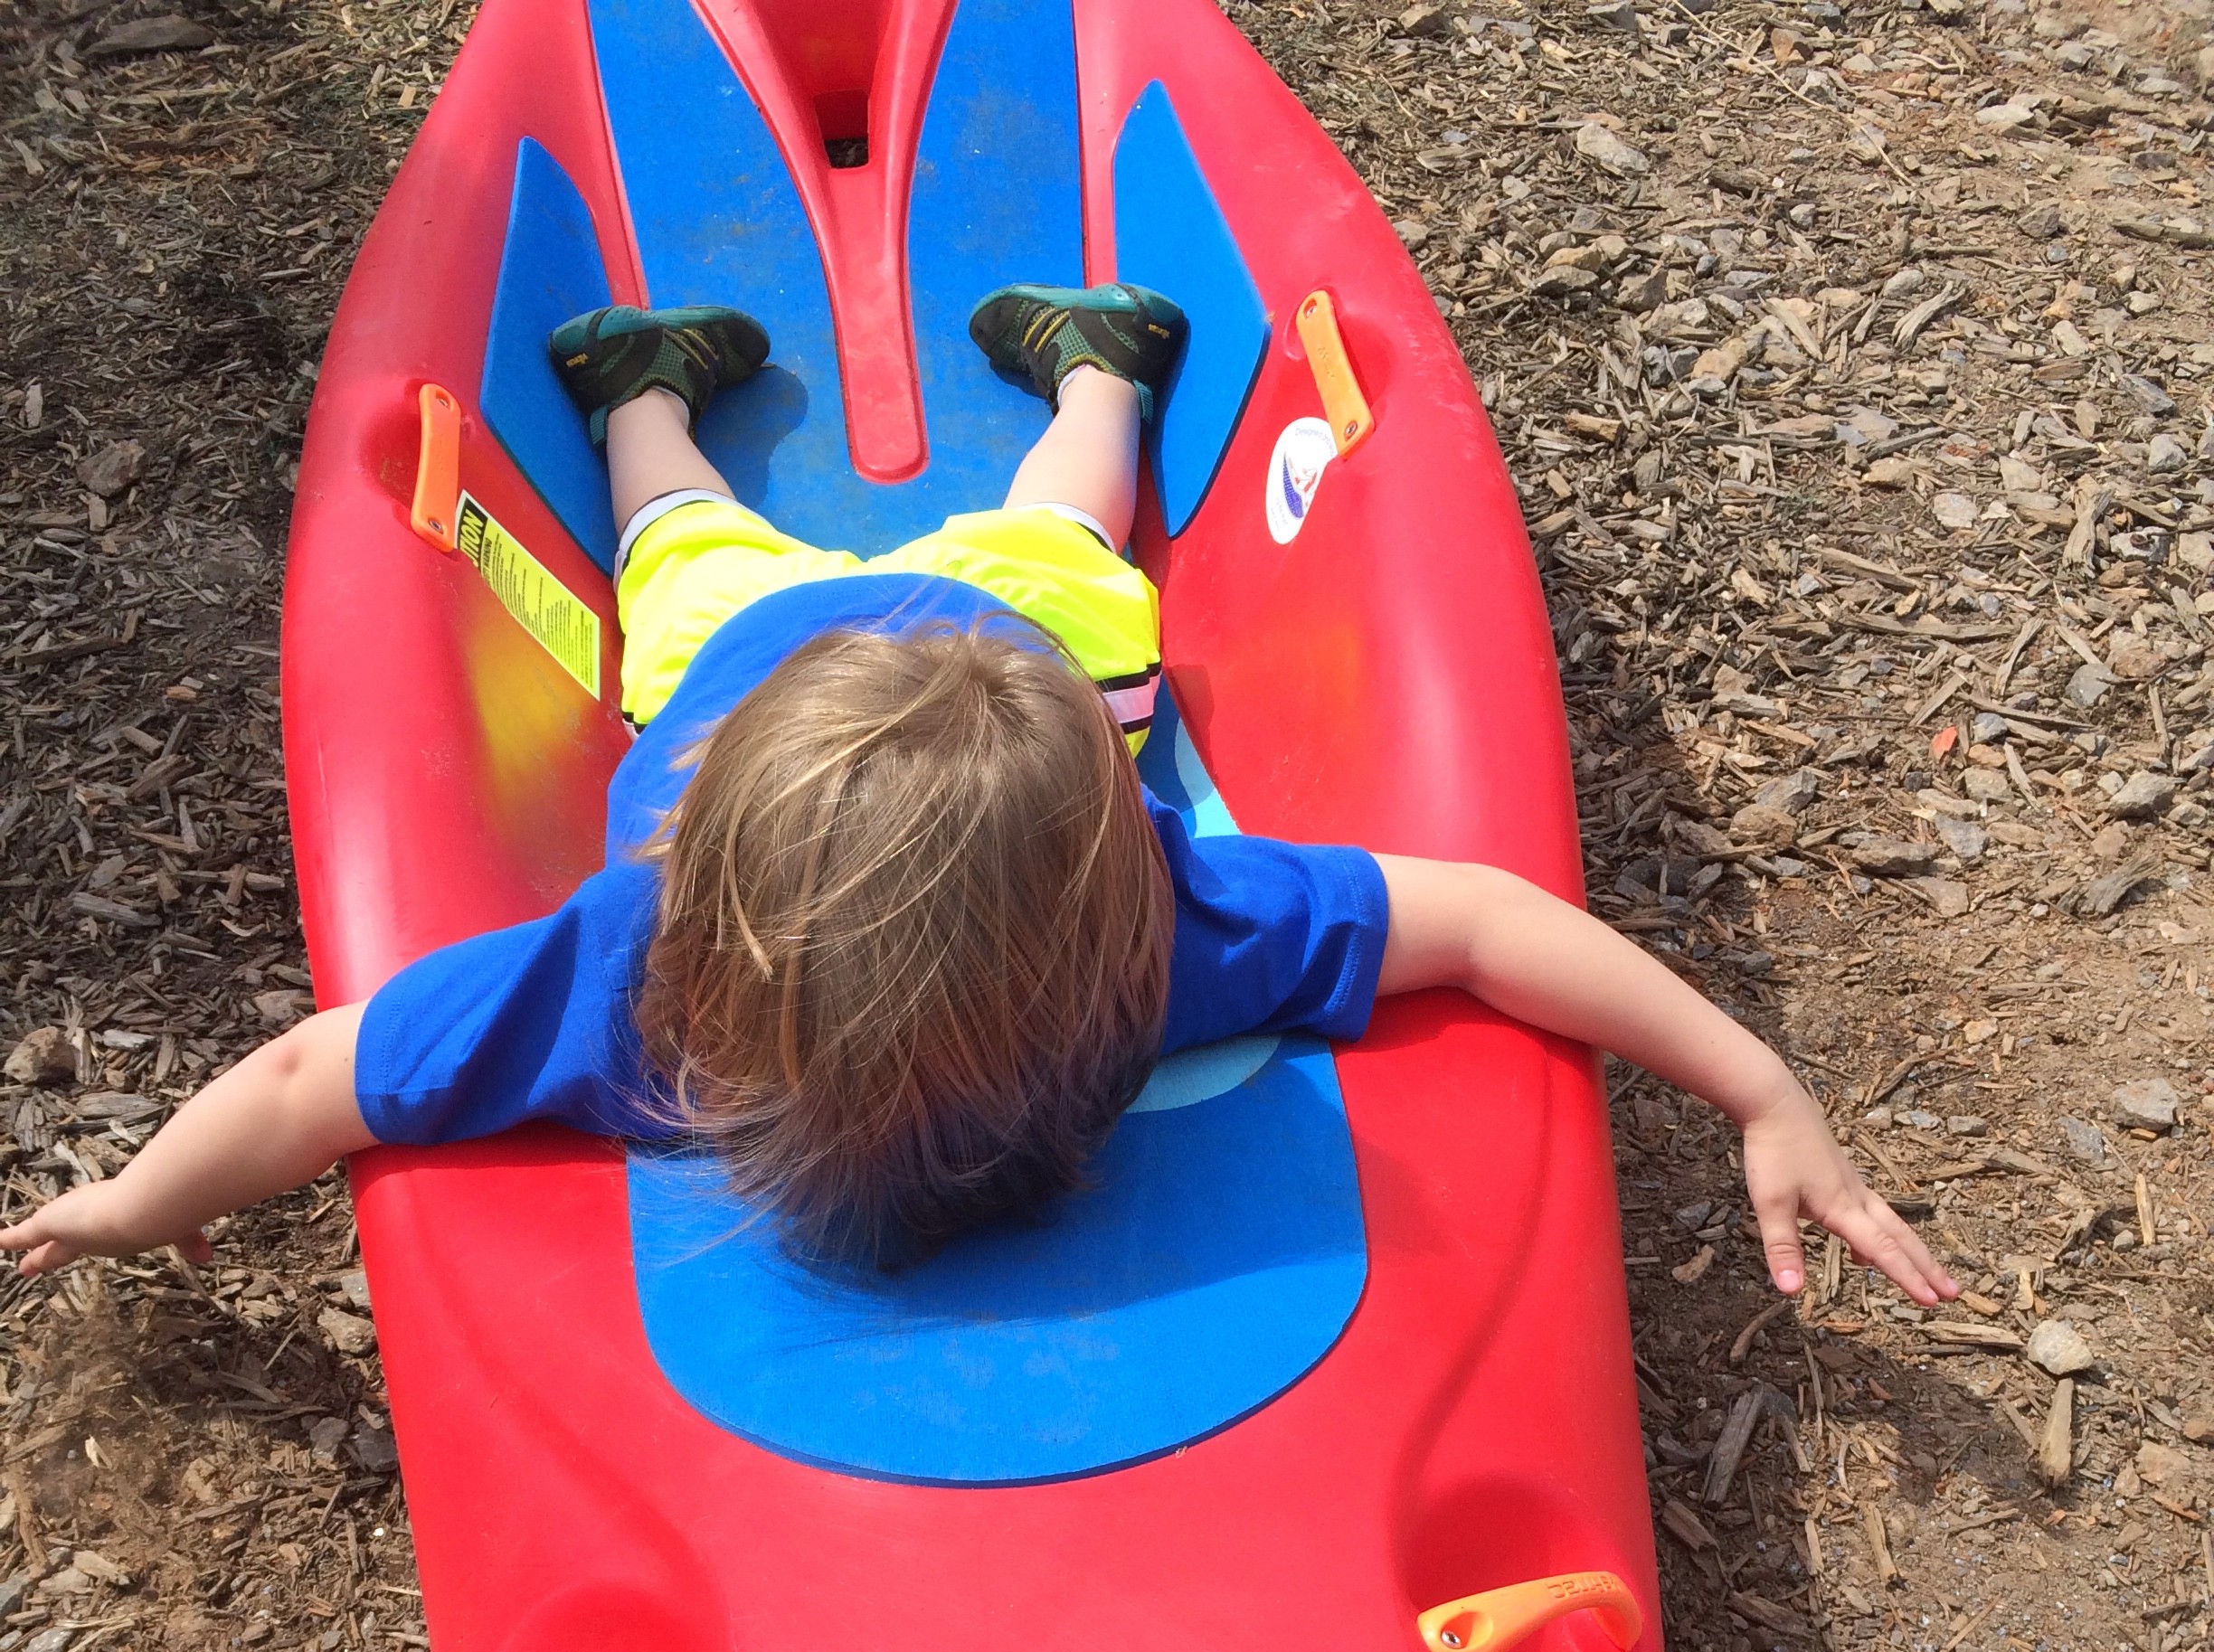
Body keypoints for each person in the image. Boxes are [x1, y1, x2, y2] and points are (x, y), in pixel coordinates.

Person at [0, 283, 1954, 1310]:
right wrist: (1754, 1084)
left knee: (709, 542)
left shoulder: (649, 982)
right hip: (882, 658)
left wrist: (141, 1200)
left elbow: (313, 1081)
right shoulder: (1146, 937)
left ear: (706, 869)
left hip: (859, 665)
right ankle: (1075, 374)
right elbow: (1478, 921)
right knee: (1011, 538)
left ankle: (649, 392)